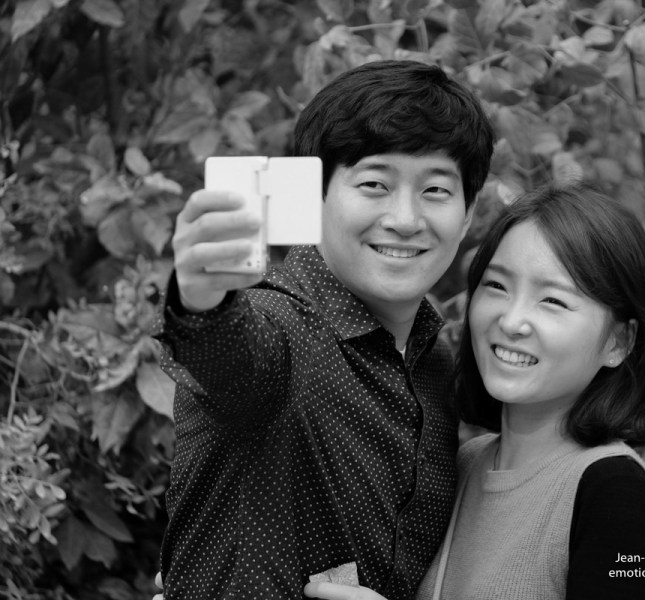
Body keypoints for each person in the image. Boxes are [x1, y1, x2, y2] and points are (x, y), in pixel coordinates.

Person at [153, 59, 496, 600]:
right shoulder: (282, 326)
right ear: (315, 195)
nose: (405, 219)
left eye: (435, 190)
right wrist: (201, 300)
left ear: (468, 213)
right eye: (374, 183)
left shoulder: (435, 363)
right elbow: (231, 356)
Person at [304, 182, 645, 600]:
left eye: (553, 301)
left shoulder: (614, 489)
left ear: (619, 342)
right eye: (497, 286)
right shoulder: (466, 463)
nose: (512, 321)